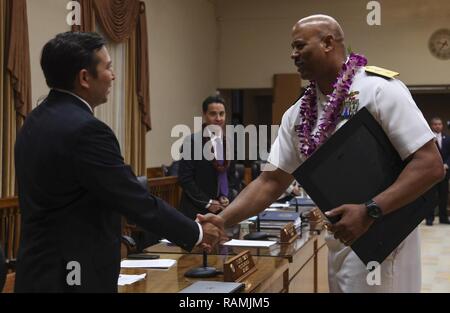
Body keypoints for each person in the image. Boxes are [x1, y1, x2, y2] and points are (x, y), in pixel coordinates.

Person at [219, 14, 444, 292]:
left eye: (300, 46)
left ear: (327, 42)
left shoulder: (379, 90)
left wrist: (370, 211)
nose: (293, 54)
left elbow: (430, 165)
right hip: (338, 241)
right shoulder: (298, 113)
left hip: (384, 239)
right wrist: (221, 220)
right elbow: (270, 182)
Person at [14, 32, 224, 292]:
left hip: (35, 272)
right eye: (108, 67)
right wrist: (197, 233)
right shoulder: (87, 130)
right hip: (75, 275)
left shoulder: (33, 121)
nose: (113, 75)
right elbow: (133, 198)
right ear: (84, 78)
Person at [178, 96, 239, 220]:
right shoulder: (192, 142)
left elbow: (231, 177)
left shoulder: (229, 143)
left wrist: (227, 196)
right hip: (196, 211)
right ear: (204, 115)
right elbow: (185, 179)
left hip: (222, 211)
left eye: (222, 114)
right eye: (213, 114)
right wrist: (207, 202)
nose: (218, 118)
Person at [426, 117, 450, 225]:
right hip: (431, 173)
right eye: (435, 124)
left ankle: (443, 218)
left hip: (444, 172)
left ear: (442, 125)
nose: (437, 126)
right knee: (431, 196)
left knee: (443, 195)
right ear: (431, 126)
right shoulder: (428, 138)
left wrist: (446, 164)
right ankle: (429, 218)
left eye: (439, 124)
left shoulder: (448, 138)